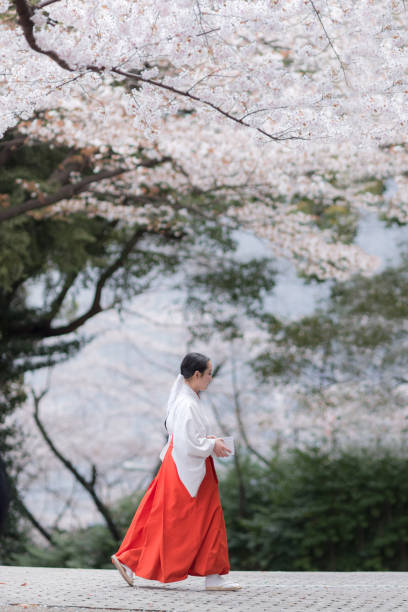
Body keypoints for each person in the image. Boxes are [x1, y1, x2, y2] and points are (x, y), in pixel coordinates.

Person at [111, 352, 241, 591]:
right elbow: (188, 443)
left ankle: (131, 559)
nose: (211, 378)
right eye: (209, 373)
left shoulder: (186, 400)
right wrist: (212, 444)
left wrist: (210, 441)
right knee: (187, 522)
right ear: (197, 374)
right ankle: (132, 560)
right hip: (187, 471)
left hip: (183, 467)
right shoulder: (188, 404)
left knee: (168, 518)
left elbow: (187, 438)